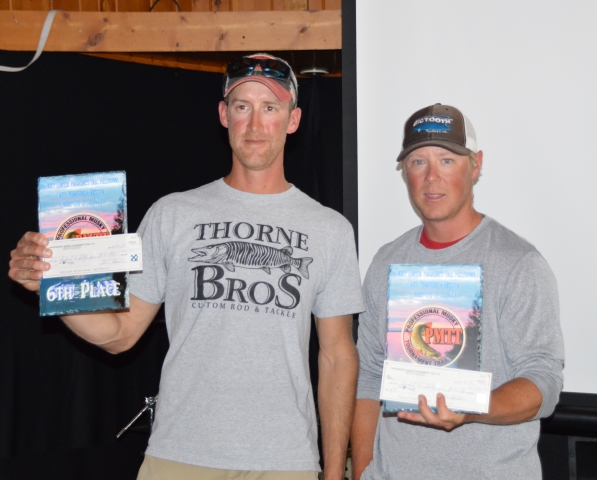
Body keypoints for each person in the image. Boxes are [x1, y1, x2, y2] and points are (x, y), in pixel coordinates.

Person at [8, 53, 364, 480]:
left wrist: (333, 472)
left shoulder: (330, 229)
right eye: (242, 106)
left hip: (285, 460)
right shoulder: (172, 213)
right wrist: (52, 284)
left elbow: (337, 356)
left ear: (293, 120)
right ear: (224, 115)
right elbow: (120, 334)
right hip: (179, 455)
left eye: (270, 108)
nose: (255, 124)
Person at [351, 104, 564, 479]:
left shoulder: (519, 263)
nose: (431, 177)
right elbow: (369, 377)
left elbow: (543, 381)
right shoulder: (386, 262)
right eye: (418, 162)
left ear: (475, 165)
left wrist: (471, 407)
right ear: (405, 172)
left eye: (447, 161)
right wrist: (363, 471)